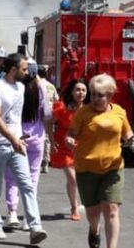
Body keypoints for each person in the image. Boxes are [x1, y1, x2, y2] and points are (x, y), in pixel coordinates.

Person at [0, 53, 48, 244]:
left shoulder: (21, 87)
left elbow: (16, 117)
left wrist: (19, 136)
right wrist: (12, 138)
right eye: (23, 69)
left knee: (27, 185)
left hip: (18, 144)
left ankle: (35, 227)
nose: (26, 72)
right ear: (13, 69)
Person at [66, 74, 134, 248]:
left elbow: (127, 133)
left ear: (110, 96)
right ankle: (94, 230)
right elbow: (71, 134)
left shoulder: (119, 111)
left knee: (112, 209)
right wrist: (69, 140)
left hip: (113, 168)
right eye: (93, 94)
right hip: (86, 168)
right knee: (93, 212)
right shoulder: (83, 112)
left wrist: (132, 141)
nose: (95, 99)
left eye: (100, 95)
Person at [4, 59, 52, 231]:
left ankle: (12, 213)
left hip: (18, 137)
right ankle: (28, 218)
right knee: (32, 178)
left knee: (11, 176)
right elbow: (47, 114)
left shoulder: (16, 89)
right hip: (37, 137)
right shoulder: (41, 89)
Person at [48, 79, 88, 221]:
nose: (81, 93)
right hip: (63, 146)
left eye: (83, 90)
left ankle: (78, 202)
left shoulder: (88, 109)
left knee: (78, 178)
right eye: (77, 90)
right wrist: (52, 140)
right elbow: (49, 123)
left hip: (81, 147)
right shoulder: (62, 107)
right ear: (71, 92)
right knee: (73, 178)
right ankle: (74, 207)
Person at [38, 64, 58, 174]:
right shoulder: (51, 86)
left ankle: (38, 159)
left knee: (37, 137)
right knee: (47, 138)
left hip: (36, 115)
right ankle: (46, 162)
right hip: (49, 115)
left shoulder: (35, 85)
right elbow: (57, 100)